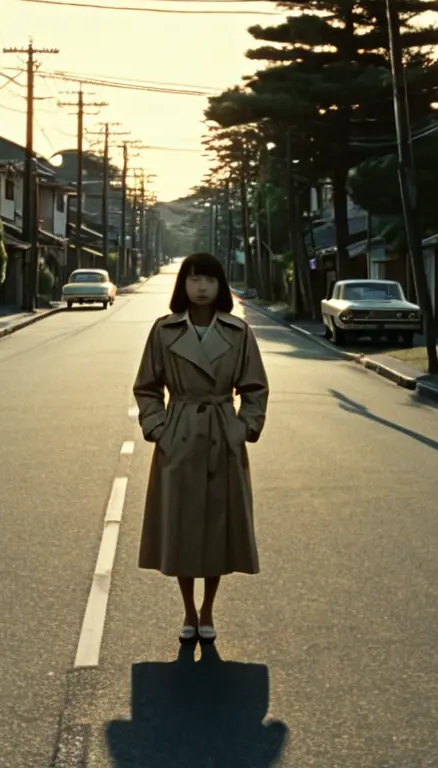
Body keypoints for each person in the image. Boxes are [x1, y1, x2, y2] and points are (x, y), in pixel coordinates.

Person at [132, 253, 270, 642]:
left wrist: (243, 427)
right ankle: (187, 610)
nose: (202, 287)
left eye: (209, 279)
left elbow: (255, 388)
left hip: (222, 436)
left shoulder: (239, 332)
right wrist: (159, 427)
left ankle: (208, 609)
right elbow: (146, 386)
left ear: (221, 285)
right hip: (179, 436)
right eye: (194, 279)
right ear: (183, 285)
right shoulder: (163, 331)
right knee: (181, 527)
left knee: (217, 528)